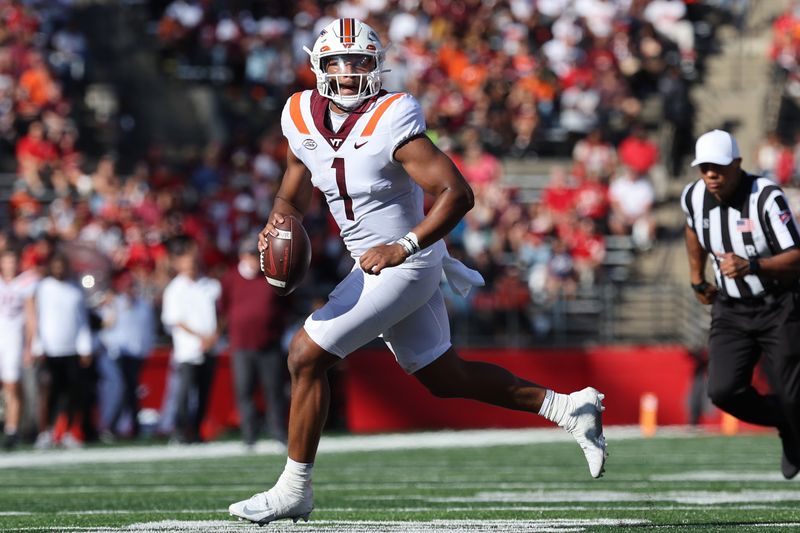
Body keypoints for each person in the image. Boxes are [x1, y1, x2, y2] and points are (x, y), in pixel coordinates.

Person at [228, 18, 607, 526]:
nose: (346, 74)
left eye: (359, 61)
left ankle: (295, 488)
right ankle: (567, 408)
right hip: (378, 261)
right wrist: (282, 217)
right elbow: (295, 184)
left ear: (376, 66)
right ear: (317, 67)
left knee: (305, 355)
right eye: (336, 63)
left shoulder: (392, 115)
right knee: (445, 376)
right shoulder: (299, 113)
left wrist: (403, 246)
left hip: (407, 260)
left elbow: (458, 193)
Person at [681, 129, 800, 479]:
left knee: (794, 394)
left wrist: (753, 265)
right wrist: (695, 277)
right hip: (731, 308)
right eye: (704, 168)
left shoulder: (765, 196)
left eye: (718, 167)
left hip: (779, 304)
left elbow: (796, 256)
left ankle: (793, 420)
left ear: (737, 163)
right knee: (722, 390)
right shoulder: (694, 197)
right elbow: (692, 229)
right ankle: (787, 422)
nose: (711, 175)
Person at [219, 234, 289, 448]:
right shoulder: (230, 279)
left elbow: (286, 305)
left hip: (269, 344)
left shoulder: (271, 276)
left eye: (257, 254)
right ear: (241, 256)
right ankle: (249, 437)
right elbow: (223, 306)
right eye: (250, 254)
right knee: (244, 392)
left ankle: (278, 434)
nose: (254, 258)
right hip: (241, 346)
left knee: (274, 391)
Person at [31, 251, 93, 449]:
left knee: (72, 393)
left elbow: (82, 321)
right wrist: (37, 344)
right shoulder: (43, 288)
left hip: (72, 349)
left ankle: (68, 432)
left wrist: (85, 346)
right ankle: (45, 431)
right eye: (56, 265)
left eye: (62, 265)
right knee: (49, 392)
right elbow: (37, 318)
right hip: (50, 349)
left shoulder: (75, 290)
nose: (59, 269)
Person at [161, 239, 220, 444]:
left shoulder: (210, 285)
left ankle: (195, 431)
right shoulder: (175, 289)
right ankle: (180, 431)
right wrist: (201, 337)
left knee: (204, 392)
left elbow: (220, 313)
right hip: (187, 350)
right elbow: (175, 320)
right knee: (184, 394)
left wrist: (214, 336)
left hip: (210, 347)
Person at [99, 271, 156, 439]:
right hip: (116, 354)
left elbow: (147, 330)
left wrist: (145, 350)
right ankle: (110, 425)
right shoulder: (113, 304)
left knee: (132, 391)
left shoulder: (143, 306)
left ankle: (132, 426)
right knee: (118, 388)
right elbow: (105, 327)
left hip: (135, 355)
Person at [0, 245, 38, 450]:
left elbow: (31, 317)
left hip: (13, 339)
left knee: (12, 386)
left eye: (12, 261)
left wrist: (29, 346)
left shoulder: (24, 283)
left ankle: (11, 429)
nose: (9, 265)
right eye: (6, 261)